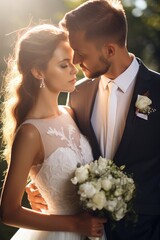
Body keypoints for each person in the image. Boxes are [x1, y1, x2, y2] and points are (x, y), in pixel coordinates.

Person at [26, 1, 160, 240]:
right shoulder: (77, 93)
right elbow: (63, 146)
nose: (75, 60)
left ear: (110, 50)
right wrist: (40, 185)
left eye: (82, 52)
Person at [0, 23, 107, 240]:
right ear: (38, 72)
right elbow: (8, 212)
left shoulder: (69, 112)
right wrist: (76, 224)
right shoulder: (30, 133)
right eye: (63, 65)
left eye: (72, 62)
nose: (74, 70)